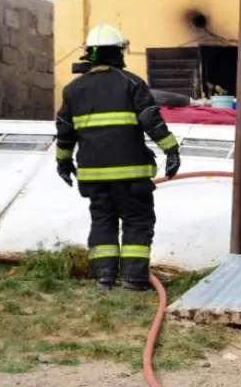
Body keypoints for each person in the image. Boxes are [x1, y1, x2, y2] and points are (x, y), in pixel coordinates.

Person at [55, 23, 181, 292]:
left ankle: (104, 279)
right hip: (131, 176)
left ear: (89, 54)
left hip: (93, 177)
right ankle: (133, 281)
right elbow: (151, 121)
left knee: (103, 222)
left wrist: (63, 162)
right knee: (137, 222)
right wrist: (171, 150)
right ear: (118, 52)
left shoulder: (73, 90)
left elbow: (65, 132)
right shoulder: (132, 83)